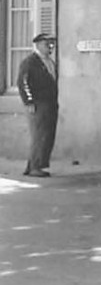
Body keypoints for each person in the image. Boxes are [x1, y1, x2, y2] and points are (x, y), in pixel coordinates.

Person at [17, 32, 58, 177]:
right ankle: (35, 167)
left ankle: (36, 165)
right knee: (39, 134)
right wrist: (29, 101)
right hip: (38, 103)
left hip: (50, 102)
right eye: (47, 44)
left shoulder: (49, 62)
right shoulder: (30, 62)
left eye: (52, 44)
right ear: (39, 45)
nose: (50, 47)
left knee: (47, 135)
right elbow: (23, 82)